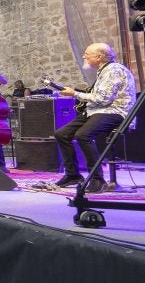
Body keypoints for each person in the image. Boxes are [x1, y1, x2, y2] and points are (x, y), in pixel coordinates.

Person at [54, 43, 136, 192]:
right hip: (98, 110)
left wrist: (74, 94)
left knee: (83, 135)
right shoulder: (104, 70)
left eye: (87, 54)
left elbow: (103, 99)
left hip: (115, 111)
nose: (84, 56)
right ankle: (73, 175)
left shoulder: (113, 70)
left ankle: (98, 179)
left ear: (99, 57)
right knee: (61, 134)